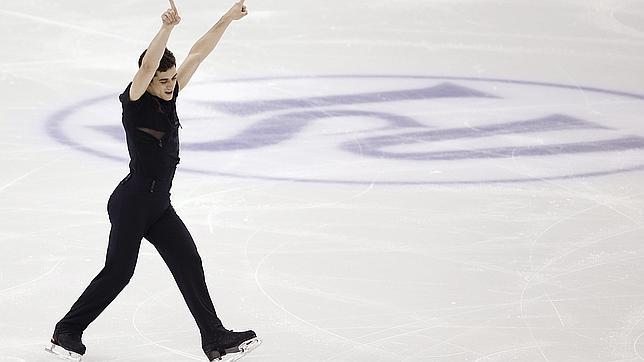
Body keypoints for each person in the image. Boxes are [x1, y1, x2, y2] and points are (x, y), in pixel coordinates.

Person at [45, 1, 260, 361]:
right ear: (147, 82)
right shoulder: (135, 101)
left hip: (158, 203)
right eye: (162, 81)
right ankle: (67, 330)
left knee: (188, 261)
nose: (170, 85)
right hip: (132, 202)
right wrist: (166, 28)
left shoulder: (170, 94)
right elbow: (147, 66)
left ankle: (215, 338)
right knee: (119, 272)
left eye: (172, 78)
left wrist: (226, 20)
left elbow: (197, 53)